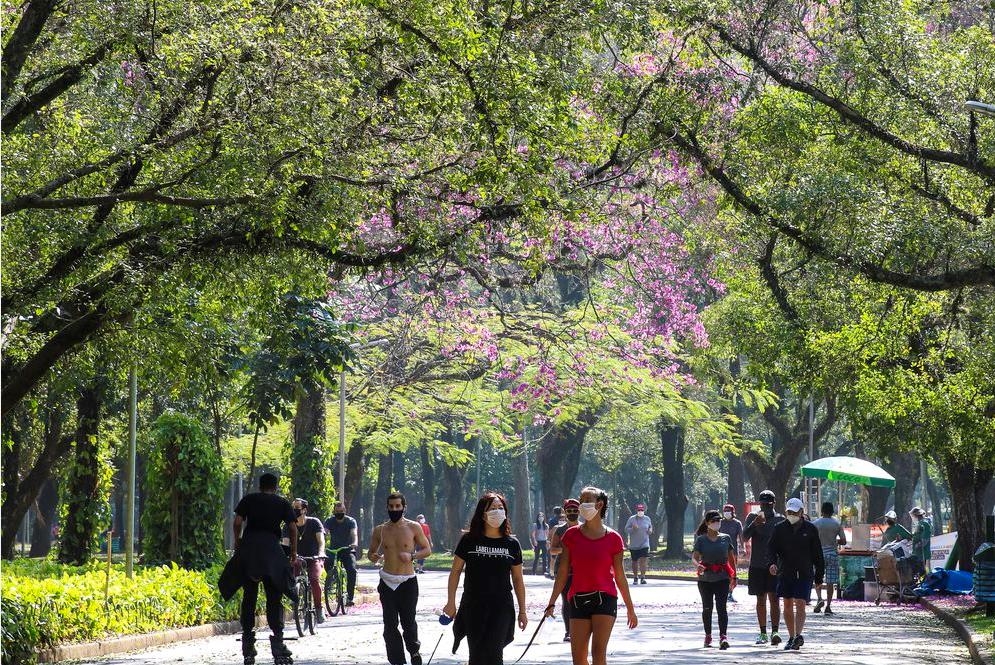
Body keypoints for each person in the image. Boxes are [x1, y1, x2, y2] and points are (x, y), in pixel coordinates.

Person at [545, 486, 637, 665]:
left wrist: (630, 609)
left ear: (600, 504)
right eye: (582, 500)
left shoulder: (614, 538)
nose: (583, 504)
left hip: (605, 599)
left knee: (598, 654)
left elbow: (620, 576)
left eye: (588, 500)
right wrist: (552, 601)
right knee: (578, 658)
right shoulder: (571, 535)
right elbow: (563, 571)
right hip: (578, 599)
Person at [444, 491, 528, 665]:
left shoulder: (512, 544)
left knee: (494, 654)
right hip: (473, 606)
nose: (497, 511)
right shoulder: (468, 540)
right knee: (477, 654)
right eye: (492, 508)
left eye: (500, 508)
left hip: (501, 607)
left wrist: (522, 611)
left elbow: (518, 579)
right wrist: (451, 602)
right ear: (483, 514)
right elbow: (455, 572)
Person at [232, 472, 297, 665]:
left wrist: (238, 543)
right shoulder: (282, 502)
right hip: (271, 550)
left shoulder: (248, 499)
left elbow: (237, 522)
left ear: (260, 486)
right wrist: (293, 552)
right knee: (274, 596)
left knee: (249, 596)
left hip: (250, 550)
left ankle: (248, 644)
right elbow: (292, 527)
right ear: (275, 486)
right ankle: (277, 643)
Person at [368, 492, 432, 665]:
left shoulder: (413, 527)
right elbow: (371, 552)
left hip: (408, 581)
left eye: (398, 506)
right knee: (390, 624)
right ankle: (397, 660)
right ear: (387, 508)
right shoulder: (380, 530)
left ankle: (414, 652)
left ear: (404, 507)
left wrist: (412, 556)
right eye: (391, 506)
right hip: (387, 581)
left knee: (408, 621)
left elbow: (427, 549)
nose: (394, 509)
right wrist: (374, 556)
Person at [767, 497, 825, 651]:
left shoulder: (810, 529)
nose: (791, 514)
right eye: (789, 511)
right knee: (787, 604)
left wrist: (819, 575)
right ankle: (791, 636)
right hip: (786, 572)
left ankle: (798, 635)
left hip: (804, 573)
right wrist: (772, 563)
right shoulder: (780, 528)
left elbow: (817, 554)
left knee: (800, 603)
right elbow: (771, 548)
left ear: (801, 512)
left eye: (794, 511)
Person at [743, 489, 784, 646]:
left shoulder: (780, 519)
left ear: (774, 503)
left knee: (774, 599)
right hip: (757, 564)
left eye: (768, 503)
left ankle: (775, 631)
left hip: (774, 565)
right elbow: (745, 536)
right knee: (760, 599)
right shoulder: (753, 517)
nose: (765, 506)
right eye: (762, 503)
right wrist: (754, 525)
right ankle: (762, 633)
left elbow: (784, 543)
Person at [692, 509, 737, 649]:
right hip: (705, 579)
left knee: (721, 607)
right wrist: (698, 565)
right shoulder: (701, 540)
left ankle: (723, 636)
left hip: (722, 577)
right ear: (707, 523)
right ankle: (708, 636)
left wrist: (734, 576)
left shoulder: (726, 538)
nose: (717, 523)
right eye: (714, 521)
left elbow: (731, 558)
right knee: (707, 608)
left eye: (719, 520)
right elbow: (694, 557)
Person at [288, 498, 326, 623]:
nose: (294, 511)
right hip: (298, 557)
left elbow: (321, 541)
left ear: (304, 510)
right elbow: (285, 544)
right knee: (292, 575)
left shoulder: (314, 523)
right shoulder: (288, 525)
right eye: (292, 508)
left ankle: (319, 609)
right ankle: (295, 597)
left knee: (314, 579)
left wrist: (320, 553)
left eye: (297, 508)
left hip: (313, 557)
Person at [549, 498, 581, 642]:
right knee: (567, 601)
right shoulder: (559, 529)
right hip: (563, 570)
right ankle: (568, 631)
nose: (572, 513)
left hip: (581, 571)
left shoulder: (585, 528)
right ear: (565, 512)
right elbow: (552, 550)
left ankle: (580, 630)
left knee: (579, 601)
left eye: (575, 511)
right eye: (569, 511)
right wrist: (565, 550)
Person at [811, 502, 846, 615]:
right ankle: (828, 606)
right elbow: (844, 541)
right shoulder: (836, 524)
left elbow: (810, 539)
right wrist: (834, 541)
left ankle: (820, 598)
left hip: (818, 555)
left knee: (818, 578)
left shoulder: (815, 523)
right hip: (832, 554)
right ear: (832, 511)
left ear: (822, 511)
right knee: (830, 581)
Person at [324, 500, 359, 606]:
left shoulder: (351, 521)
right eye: (337, 511)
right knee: (327, 562)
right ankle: (333, 578)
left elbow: (354, 533)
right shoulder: (330, 521)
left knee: (351, 570)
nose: (339, 513)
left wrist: (354, 543)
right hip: (333, 550)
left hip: (347, 550)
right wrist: (322, 540)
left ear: (345, 510)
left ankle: (350, 597)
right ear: (334, 512)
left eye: (341, 511)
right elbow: (324, 532)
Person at [718, 503, 743, 602]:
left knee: (732, 573)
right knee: (722, 572)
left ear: (733, 512)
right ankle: (721, 593)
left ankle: (730, 592)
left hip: (733, 552)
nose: (727, 513)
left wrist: (743, 548)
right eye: (725, 511)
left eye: (729, 511)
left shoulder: (737, 523)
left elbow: (741, 537)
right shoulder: (720, 523)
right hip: (721, 551)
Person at [624, 503, 652, 585]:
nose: (640, 511)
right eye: (639, 510)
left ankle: (643, 577)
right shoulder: (632, 519)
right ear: (636, 510)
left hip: (645, 543)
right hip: (634, 545)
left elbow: (650, 526)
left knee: (643, 560)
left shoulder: (647, 518)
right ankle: (635, 577)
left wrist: (650, 530)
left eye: (642, 510)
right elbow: (626, 529)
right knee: (635, 561)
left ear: (644, 510)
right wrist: (633, 528)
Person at [909, 507, 932, 574]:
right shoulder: (920, 523)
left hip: (923, 553)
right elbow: (916, 536)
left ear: (916, 515)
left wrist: (918, 545)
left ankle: (926, 583)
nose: (913, 517)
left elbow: (925, 539)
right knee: (919, 572)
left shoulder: (925, 524)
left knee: (924, 572)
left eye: (913, 516)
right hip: (918, 553)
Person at [531, 512, 550, 576]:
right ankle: (533, 572)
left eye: (542, 516)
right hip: (538, 542)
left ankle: (544, 571)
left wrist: (547, 542)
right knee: (537, 557)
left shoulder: (546, 525)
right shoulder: (535, 525)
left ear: (544, 517)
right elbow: (533, 534)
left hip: (544, 542)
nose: (541, 518)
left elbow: (547, 535)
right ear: (538, 518)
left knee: (544, 557)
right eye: (539, 516)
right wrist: (534, 541)